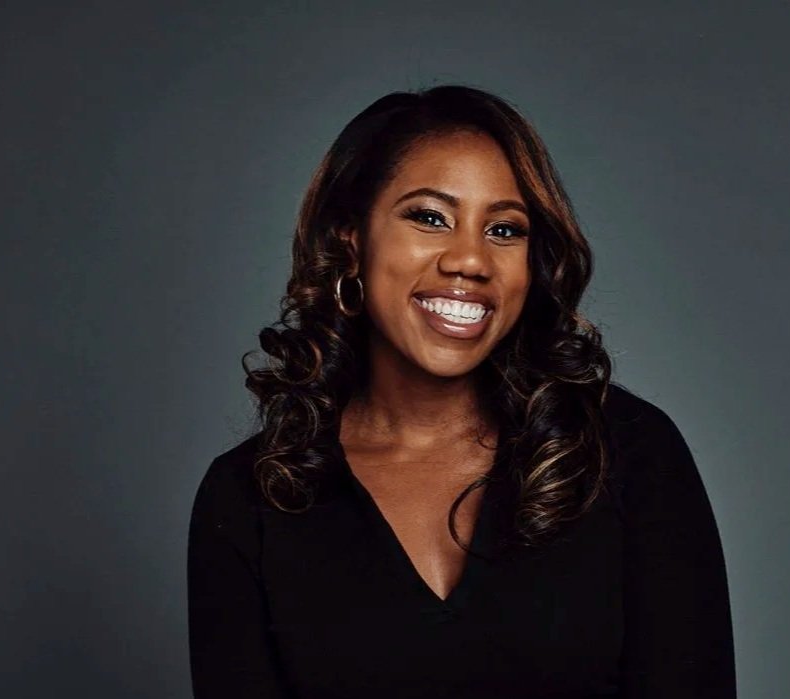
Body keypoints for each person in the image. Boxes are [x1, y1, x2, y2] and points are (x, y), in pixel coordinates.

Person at [187, 84, 736, 698]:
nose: (471, 260)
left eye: (504, 229)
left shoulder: (627, 452)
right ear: (350, 240)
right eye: (429, 217)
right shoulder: (252, 495)